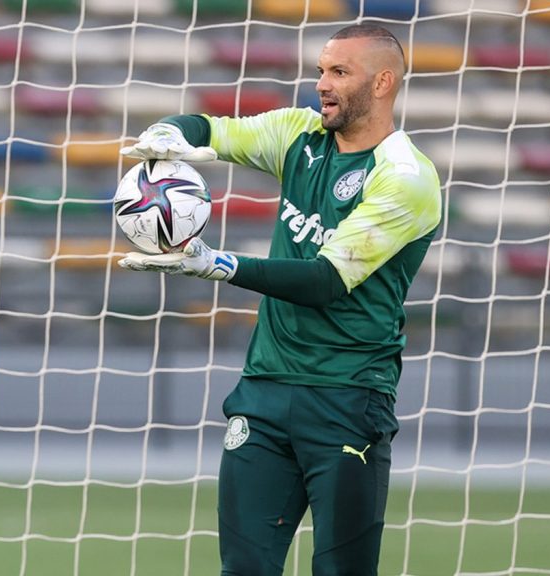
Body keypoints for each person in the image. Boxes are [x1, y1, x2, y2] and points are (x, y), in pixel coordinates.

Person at [119, 24, 441, 576]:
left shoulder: (405, 177)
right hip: (264, 393)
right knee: (243, 568)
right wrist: (167, 132)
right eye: (321, 70)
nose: (322, 84)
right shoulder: (298, 133)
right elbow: (211, 131)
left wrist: (218, 263)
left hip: (346, 398)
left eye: (340, 72)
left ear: (384, 82)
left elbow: (324, 281)